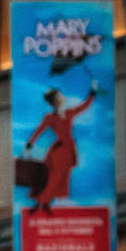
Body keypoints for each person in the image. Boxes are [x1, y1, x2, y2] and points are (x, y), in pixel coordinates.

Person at [21, 82, 99, 213]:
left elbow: (84, 106)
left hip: (68, 150)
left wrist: (92, 92)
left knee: (61, 178)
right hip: (60, 151)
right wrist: (30, 143)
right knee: (55, 178)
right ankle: (41, 202)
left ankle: (45, 204)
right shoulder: (50, 117)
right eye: (60, 95)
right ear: (57, 100)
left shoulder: (69, 113)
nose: (63, 96)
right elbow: (39, 130)